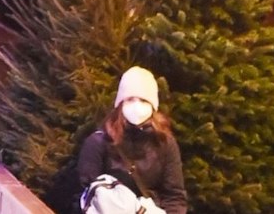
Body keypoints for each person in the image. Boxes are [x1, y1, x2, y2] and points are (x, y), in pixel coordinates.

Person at [75, 67, 189, 214]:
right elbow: (85, 195)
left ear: (153, 106)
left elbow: (174, 196)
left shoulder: (165, 143)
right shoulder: (99, 142)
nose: (137, 106)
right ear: (120, 103)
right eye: (130, 99)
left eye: (143, 100)